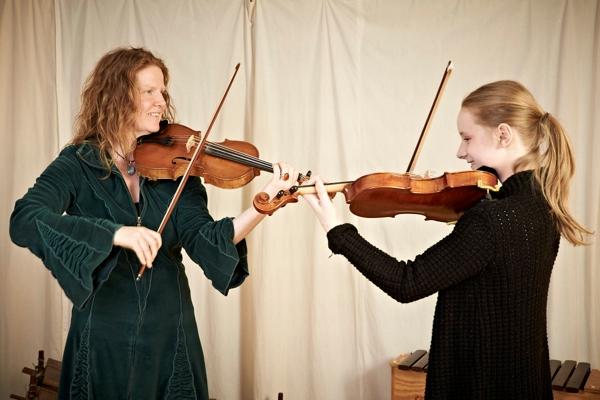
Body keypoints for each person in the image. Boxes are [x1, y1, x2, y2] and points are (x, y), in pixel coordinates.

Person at [9, 47, 299, 400]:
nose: (161, 101)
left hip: (170, 327)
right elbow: (25, 219)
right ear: (117, 96)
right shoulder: (78, 163)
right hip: (103, 330)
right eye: (148, 91)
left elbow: (203, 239)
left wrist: (262, 205)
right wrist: (115, 233)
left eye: (162, 91)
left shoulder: (177, 166)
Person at [302, 80, 592, 399]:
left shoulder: (491, 220)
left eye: (467, 138)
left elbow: (407, 282)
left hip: (479, 388)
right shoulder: (543, 208)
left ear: (503, 134)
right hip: (525, 385)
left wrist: (336, 230)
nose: (460, 152)